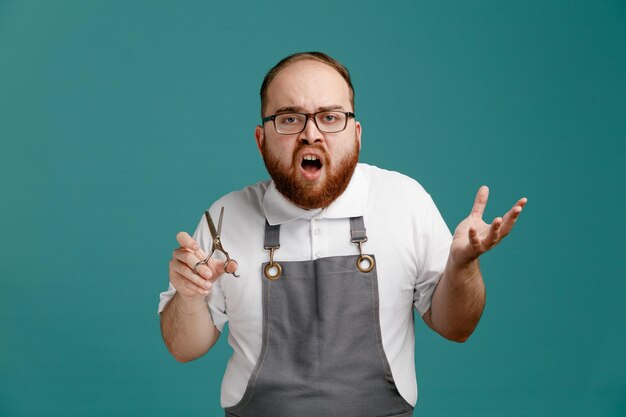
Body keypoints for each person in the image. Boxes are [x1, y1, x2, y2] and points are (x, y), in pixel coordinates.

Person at [158, 52, 526, 417]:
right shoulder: (223, 218)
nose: (311, 134)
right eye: (289, 118)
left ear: (356, 133)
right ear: (261, 139)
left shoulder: (404, 201)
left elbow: (456, 327)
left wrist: (463, 266)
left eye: (330, 117)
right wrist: (188, 295)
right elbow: (183, 347)